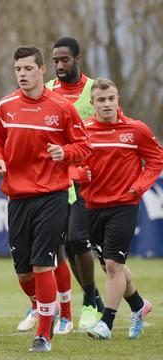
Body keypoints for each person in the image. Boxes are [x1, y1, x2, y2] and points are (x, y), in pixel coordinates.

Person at [0, 45, 92, 352]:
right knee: (23, 271)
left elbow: (84, 146)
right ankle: (44, 306)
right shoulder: (5, 106)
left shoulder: (62, 107)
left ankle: (43, 335)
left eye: (28, 69)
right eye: (18, 69)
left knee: (42, 264)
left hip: (52, 195)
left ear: (42, 70)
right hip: (17, 197)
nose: (22, 74)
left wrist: (66, 153)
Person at [25, 36, 101, 334]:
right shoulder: (48, 92)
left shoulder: (92, 91)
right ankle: (57, 305)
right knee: (54, 245)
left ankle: (92, 297)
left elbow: (105, 128)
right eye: (55, 61)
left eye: (64, 60)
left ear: (77, 59)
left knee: (77, 240)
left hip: (87, 180)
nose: (59, 65)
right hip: (53, 179)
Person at [79, 78, 162, 340]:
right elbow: (68, 162)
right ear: (92, 103)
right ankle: (139, 306)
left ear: (118, 99)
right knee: (110, 267)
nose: (107, 104)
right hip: (93, 207)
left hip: (124, 206)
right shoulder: (82, 131)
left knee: (114, 265)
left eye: (111, 98)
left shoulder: (135, 129)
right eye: (101, 100)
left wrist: (138, 187)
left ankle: (107, 322)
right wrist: (79, 172)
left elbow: (156, 159)